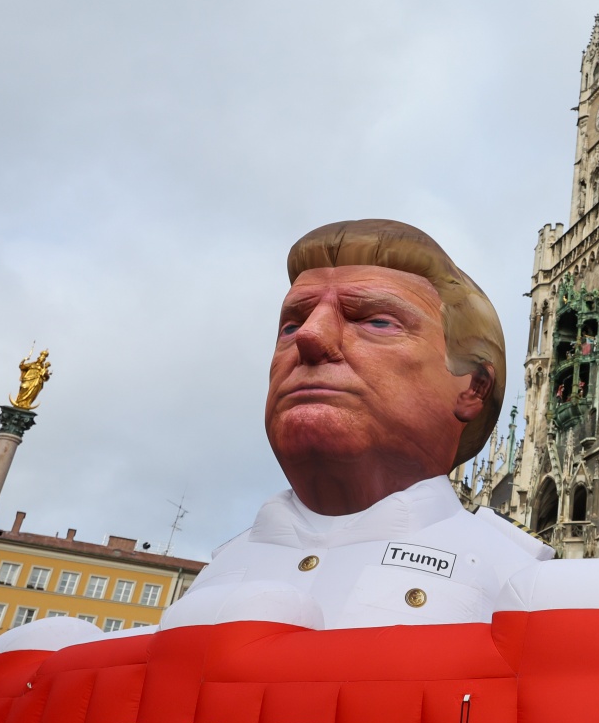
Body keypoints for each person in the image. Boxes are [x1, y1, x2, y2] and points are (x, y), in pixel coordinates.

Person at [166, 219, 548, 632]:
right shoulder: (218, 571)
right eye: (291, 325)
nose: (310, 337)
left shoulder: (521, 580)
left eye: (377, 322)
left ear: (474, 388)